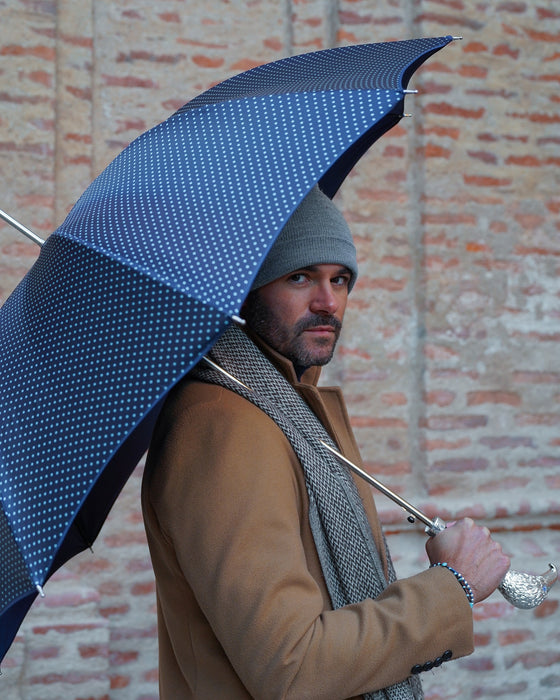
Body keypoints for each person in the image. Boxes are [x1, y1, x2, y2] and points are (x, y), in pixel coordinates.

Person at [141, 185, 510, 699]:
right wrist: (451, 588)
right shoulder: (224, 427)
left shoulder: (285, 409)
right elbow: (292, 667)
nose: (328, 302)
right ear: (248, 286)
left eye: (340, 279)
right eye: (300, 277)